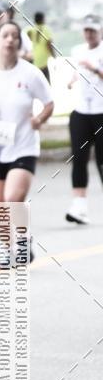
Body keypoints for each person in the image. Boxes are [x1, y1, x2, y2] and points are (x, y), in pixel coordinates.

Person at [0, 21, 54, 260]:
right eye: (5, 35)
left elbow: (49, 103)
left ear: (19, 43)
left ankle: (21, 239)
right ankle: (10, 247)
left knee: (12, 199)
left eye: (14, 36)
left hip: (23, 145)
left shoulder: (30, 73)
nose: (10, 40)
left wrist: (39, 119)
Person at [65, 15, 103, 225]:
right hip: (81, 112)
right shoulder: (78, 51)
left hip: (101, 112)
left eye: (93, 31)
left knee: (102, 161)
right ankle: (79, 206)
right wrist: (71, 80)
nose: (89, 34)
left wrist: (95, 68)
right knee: (78, 159)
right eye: (86, 30)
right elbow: (78, 73)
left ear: (100, 31)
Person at [26, 12, 55, 83]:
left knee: (35, 81)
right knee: (46, 83)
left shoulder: (30, 29)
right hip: (43, 61)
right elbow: (49, 44)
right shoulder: (46, 29)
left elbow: (26, 38)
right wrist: (54, 56)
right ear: (42, 19)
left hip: (33, 59)